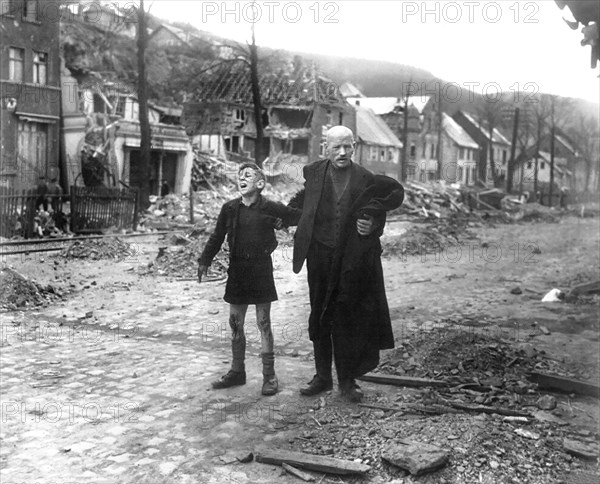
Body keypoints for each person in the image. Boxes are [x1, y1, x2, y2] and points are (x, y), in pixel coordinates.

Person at [288, 125, 404, 402]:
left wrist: (373, 225)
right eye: (337, 147)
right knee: (319, 313)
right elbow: (302, 202)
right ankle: (322, 377)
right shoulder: (314, 172)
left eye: (348, 146)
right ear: (324, 149)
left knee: (348, 317)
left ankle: (348, 381)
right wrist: (282, 216)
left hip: (350, 259)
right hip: (319, 255)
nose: (343, 152)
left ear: (355, 147)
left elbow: (378, 211)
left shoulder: (365, 178)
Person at [198, 163, 300, 396]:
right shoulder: (230, 208)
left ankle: (269, 376)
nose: (241, 179)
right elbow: (217, 236)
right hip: (237, 270)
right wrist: (204, 260)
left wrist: (283, 223)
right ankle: (237, 371)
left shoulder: (271, 207)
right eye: (239, 176)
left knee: (263, 323)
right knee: (235, 323)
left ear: (261, 183)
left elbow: (296, 216)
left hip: (261, 270)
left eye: (248, 175)